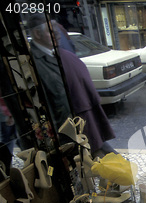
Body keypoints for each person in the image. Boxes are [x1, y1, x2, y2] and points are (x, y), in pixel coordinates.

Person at [27, 14, 116, 157]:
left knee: (112, 164)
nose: (57, 34)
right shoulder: (33, 64)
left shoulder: (61, 55)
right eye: (51, 31)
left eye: (56, 29)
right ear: (37, 34)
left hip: (84, 125)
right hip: (66, 134)